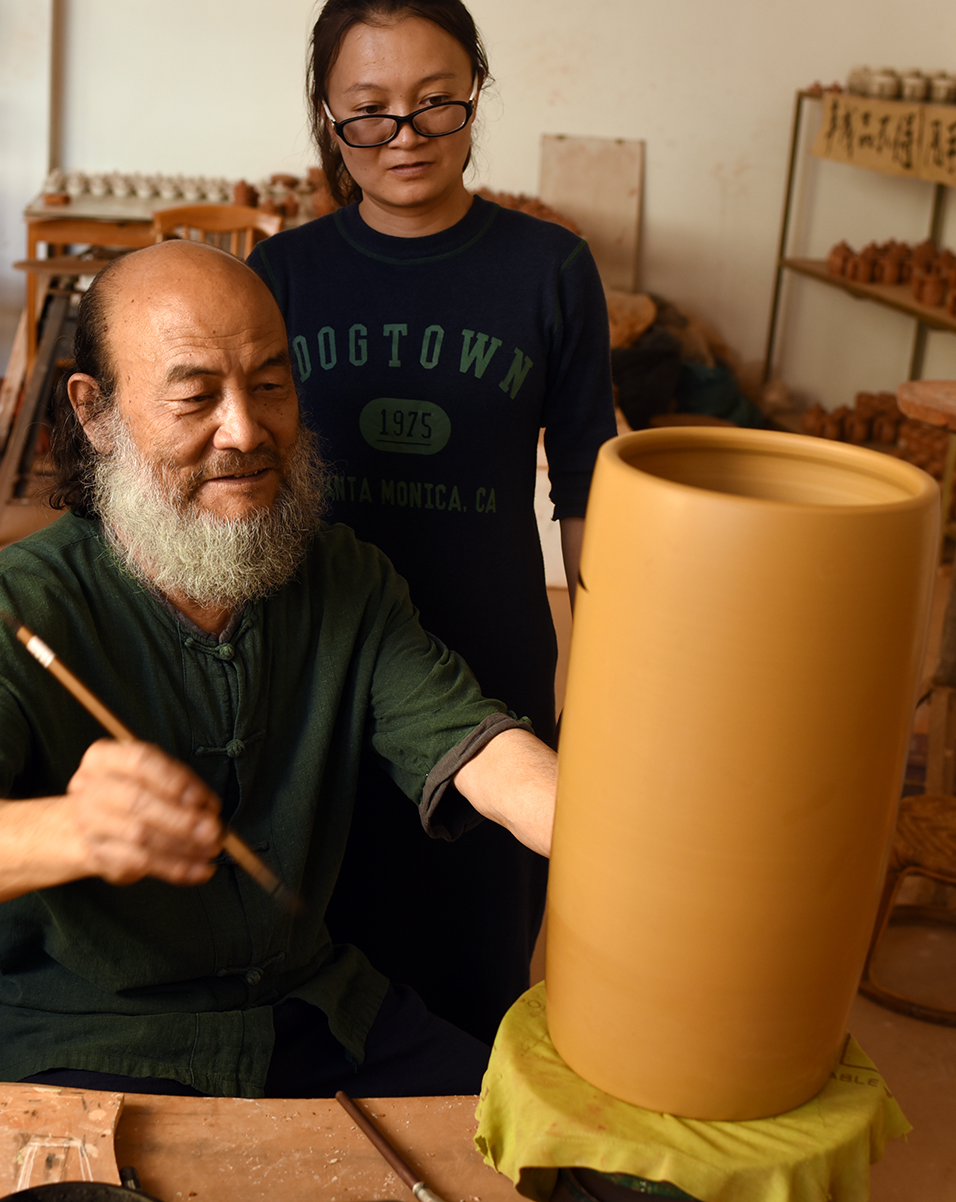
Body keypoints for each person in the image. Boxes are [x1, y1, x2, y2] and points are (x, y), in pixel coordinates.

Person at [0, 240, 559, 1099]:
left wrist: (607, 839)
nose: (246, 430)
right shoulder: (25, 604)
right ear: (96, 412)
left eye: (270, 386)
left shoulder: (344, 578)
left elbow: (475, 746)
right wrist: (73, 829)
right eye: (196, 396)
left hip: (306, 1016)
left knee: (536, 1145)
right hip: (73, 1031)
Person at [248, 0, 617, 1043]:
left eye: (434, 104)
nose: (403, 137)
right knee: (318, 948)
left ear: (475, 97)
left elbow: (586, 481)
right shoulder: (285, 275)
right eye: (368, 111)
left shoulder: (549, 270)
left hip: (488, 659)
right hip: (320, 660)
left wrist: (616, 679)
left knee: (476, 961)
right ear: (328, 117)